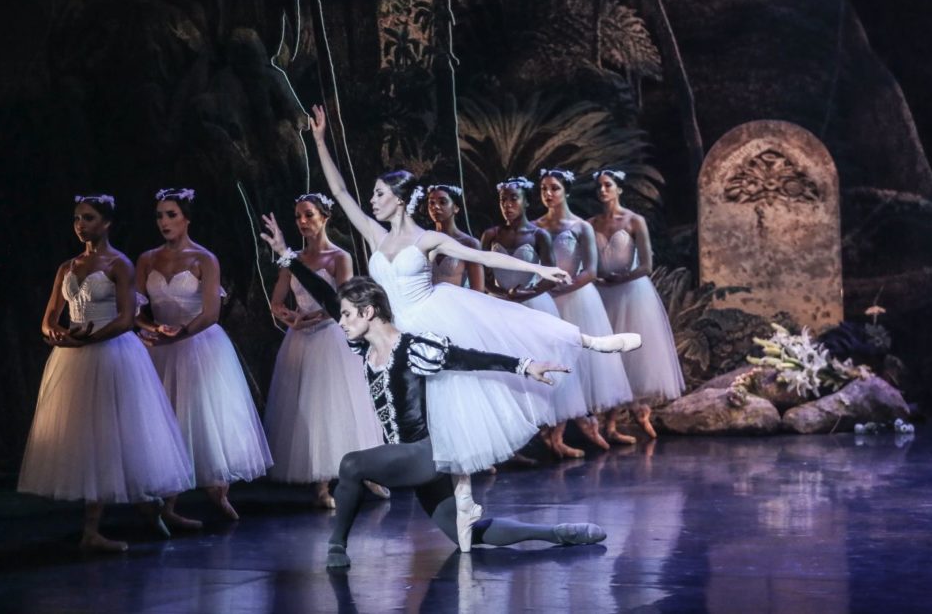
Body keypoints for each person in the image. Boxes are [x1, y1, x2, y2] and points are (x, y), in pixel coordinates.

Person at [303, 104, 639, 539]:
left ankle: (589, 341)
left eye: (380, 195)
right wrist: (319, 142)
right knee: (426, 414)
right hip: (395, 332)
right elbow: (342, 194)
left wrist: (538, 270)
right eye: (373, 195)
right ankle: (457, 492)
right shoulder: (373, 235)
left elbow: (482, 255)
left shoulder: (428, 239)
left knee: (462, 389)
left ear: (400, 200)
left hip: (431, 320)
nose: (372, 201)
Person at [257, 238, 608, 570]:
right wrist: (287, 256)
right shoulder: (366, 347)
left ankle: (337, 547)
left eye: (349, 315)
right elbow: (328, 298)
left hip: (423, 454)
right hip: (406, 457)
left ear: (368, 313)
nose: (342, 321)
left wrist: (524, 365)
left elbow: (467, 357)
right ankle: (558, 534)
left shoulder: (412, 347)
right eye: (343, 315)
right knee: (463, 534)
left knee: (351, 464)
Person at [18, 194, 194, 552]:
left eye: (89, 218)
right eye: (77, 218)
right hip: (75, 357)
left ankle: (146, 504)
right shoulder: (66, 266)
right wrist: (58, 334)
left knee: (117, 434)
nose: (81, 225)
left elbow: (127, 318)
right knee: (88, 439)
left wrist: (90, 339)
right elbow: (49, 319)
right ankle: (94, 528)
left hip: (112, 352)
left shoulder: (120, 264)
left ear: (106, 223)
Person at [136, 188, 273, 522]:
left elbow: (211, 312)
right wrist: (150, 329)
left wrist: (180, 333)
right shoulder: (147, 259)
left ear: (187, 218)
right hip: (159, 345)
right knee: (166, 417)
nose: (164, 222)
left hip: (198, 344)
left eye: (171, 215)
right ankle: (166, 502)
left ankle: (217, 491)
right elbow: (135, 308)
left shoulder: (204, 259)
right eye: (159, 215)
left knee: (201, 418)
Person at [263, 193, 385, 508]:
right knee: (313, 410)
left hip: (332, 337)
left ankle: (368, 472)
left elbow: (343, 302)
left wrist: (312, 317)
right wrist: (289, 317)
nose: (303, 222)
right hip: (301, 341)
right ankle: (321, 484)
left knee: (344, 408)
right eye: (298, 217)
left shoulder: (339, 257)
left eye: (308, 215)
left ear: (324, 217)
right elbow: (276, 301)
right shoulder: (293, 259)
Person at [480, 177, 609, 457]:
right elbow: (485, 275)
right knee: (505, 372)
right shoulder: (490, 234)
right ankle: (512, 441)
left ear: (525, 200)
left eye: (513, 198)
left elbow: (549, 275)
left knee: (547, 366)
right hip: (502, 307)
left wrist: (524, 293)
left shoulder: (538, 235)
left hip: (533, 304)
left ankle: (553, 434)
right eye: (503, 199)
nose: (507, 205)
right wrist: (501, 293)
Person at [534, 169, 637, 445]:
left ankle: (587, 425)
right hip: (545, 299)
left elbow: (591, 270)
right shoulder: (535, 227)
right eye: (544, 189)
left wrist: (564, 286)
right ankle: (551, 429)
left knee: (583, 361)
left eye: (554, 188)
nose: (548, 194)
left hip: (577, 296)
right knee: (552, 359)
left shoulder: (581, 226)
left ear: (566, 191)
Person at [589, 170, 685, 437]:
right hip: (603, 293)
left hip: (631, 293)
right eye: (599, 187)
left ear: (619, 189)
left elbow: (646, 264)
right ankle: (609, 422)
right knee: (610, 358)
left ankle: (637, 413)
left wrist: (623, 277)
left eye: (608, 186)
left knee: (632, 358)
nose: (603, 191)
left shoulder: (634, 221)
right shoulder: (591, 223)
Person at [425, 184, 485, 291]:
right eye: (432, 203)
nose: (436, 207)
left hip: (456, 303)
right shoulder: (425, 240)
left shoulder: (468, 243)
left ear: (456, 208)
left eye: (442, 202)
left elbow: (478, 289)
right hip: (428, 304)